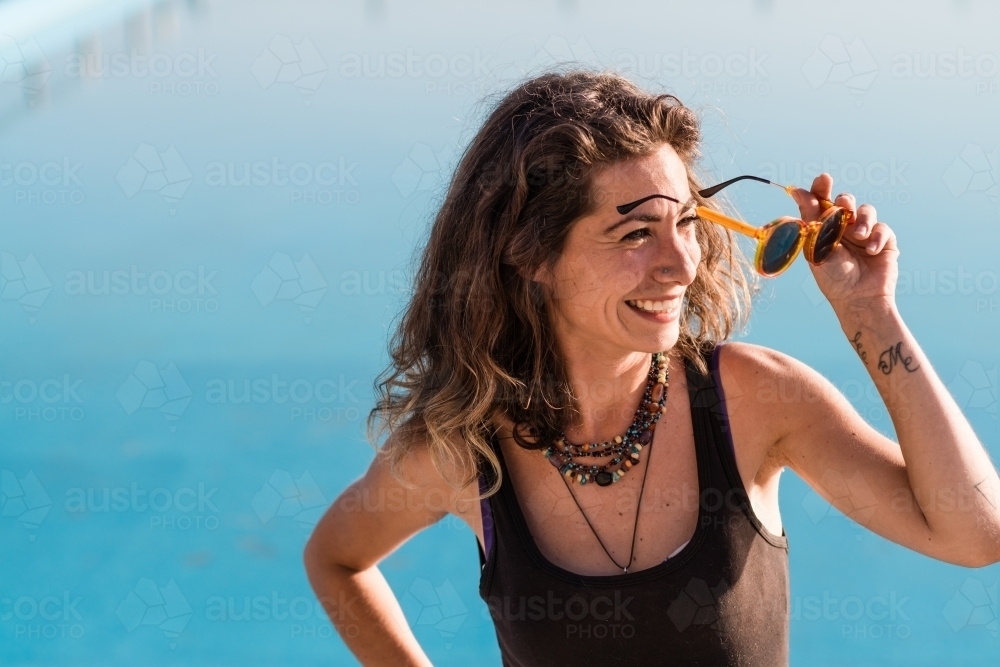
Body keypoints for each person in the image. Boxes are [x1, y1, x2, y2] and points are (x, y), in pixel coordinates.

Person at [303, 70, 1000, 666]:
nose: (680, 263)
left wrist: (870, 313)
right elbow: (336, 559)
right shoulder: (467, 450)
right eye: (636, 233)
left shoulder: (757, 402)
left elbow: (975, 533)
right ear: (532, 256)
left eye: (686, 222)